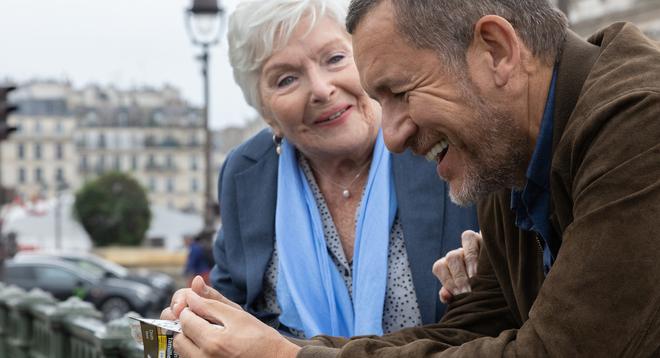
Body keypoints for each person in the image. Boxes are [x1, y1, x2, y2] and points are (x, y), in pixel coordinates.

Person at [162, 0, 660, 356]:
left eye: (399, 92)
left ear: (496, 50)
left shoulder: (642, 124)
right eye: (286, 78)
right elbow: (462, 334)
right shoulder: (506, 150)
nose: (393, 137)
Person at [205, 0, 478, 340]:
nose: (321, 89)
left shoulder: (437, 136)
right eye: (286, 79)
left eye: (335, 59)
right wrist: (202, 318)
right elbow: (233, 308)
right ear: (267, 114)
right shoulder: (246, 173)